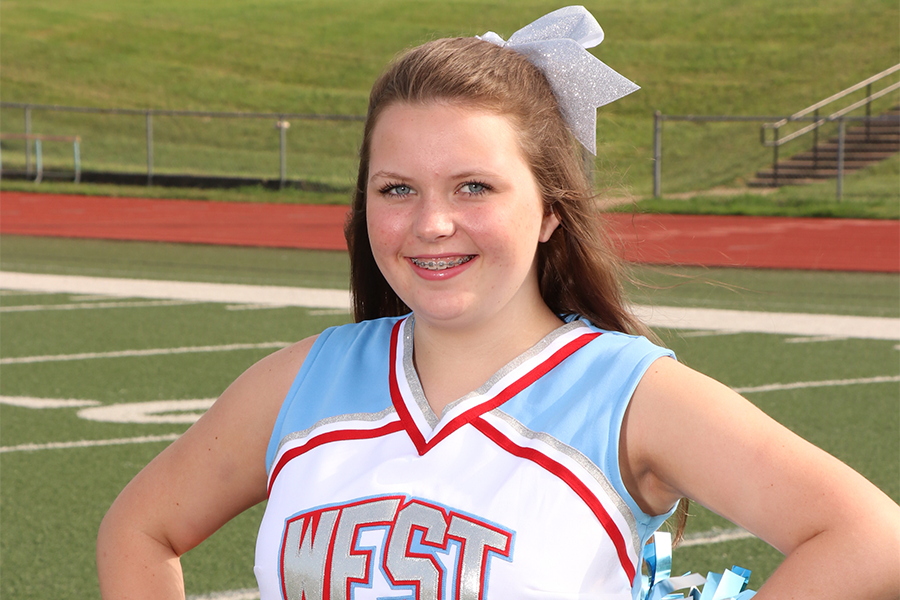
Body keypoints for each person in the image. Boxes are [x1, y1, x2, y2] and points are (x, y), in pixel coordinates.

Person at [97, 6, 900, 600]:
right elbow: (138, 530)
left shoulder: (627, 395)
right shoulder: (300, 382)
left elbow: (871, 540)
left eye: (473, 186)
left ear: (550, 209)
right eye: (397, 188)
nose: (431, 223)